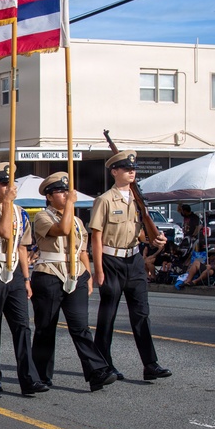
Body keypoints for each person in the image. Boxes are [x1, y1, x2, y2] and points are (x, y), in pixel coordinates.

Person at [31, 172, 117, 392]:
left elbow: (82, 251)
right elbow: (62, 229)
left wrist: (87, 276)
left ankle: (97, 371)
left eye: (67, 191)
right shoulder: (43, 217)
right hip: (49, 274)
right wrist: (70, 205)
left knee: (80, 327)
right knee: (45, 328)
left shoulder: (78, 221)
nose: (66, 195)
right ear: (49, 196)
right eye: (60, 192)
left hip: (75, 274)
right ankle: (40, 374)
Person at [90, 149, 172, 382]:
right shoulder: (104, 200)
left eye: (133, 168)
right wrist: (98, 269)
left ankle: (150, 364)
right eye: (126, 168)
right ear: (114, 171)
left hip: (134, 259)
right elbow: (96, 236)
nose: (131, 172)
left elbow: (141, 233)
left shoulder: (139, 201)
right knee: (108, 315)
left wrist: (155, 239)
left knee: (141, 314)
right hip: (111, 260)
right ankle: (104, 365)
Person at [0, 162, 49, 396]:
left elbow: (22, 246)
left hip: (16, 271)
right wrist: (7, 202)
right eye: (4, 183)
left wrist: (27, 279)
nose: (10, 187)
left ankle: (28, 378)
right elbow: (4, 233)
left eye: (12, 183)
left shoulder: (22, 212)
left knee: (22, 326)